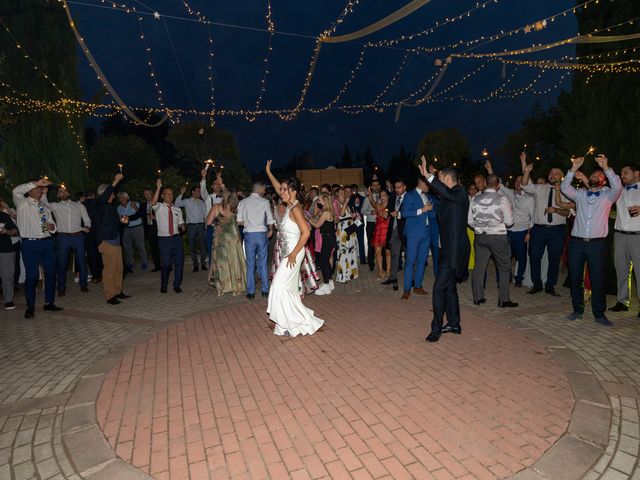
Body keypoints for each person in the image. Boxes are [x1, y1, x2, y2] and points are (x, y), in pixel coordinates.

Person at [561, 155, 622, 325]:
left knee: (597, 279)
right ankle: (577, 309)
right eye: (594, 174)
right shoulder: (580, 194)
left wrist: (607, 168)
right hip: (577, 243)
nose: (596, 175)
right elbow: (565, 188)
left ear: (604, 181)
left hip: (596, 244)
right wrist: (573, 169)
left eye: (599, 175)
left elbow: (618, 186)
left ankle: (599, 314)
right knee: (575, 278)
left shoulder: (608, 196)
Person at [265, 164, 325, 337]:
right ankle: (288, 323)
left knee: (278, 286)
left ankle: (288, 322)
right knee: (288, 290)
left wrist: (292, 254)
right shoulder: (291, 205)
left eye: (284, 190)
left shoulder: (296, 209)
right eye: (281, 190)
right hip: (288, 253)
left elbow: (306, 233)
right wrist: (269, 172)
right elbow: (277, 187)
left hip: (293, 254)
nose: (280, 192)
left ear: (292, 191)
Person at [419, 158, 470, 343]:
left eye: (441, 179)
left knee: (438, 288)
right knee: (449, 288)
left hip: (455, 251)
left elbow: (442, 191)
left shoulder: (460, 193)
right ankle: (454, 323)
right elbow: (440, 192)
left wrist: (429, 177)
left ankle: (436, 329)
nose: (439, 183)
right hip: (447, 248)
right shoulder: (449, 196)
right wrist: (431, 178)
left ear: (448, 180)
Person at [13, 178, 62, 318]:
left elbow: (52, 225)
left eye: (41, 188)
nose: (41, 190)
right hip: (30, 243)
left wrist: (53, 228)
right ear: (30, 190)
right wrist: (37, 182)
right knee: (32, 275)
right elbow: (16, 190)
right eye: (38, 188)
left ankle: (49, 303)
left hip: (47, 242)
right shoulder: (22, 203)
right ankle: (30, 306)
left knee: (51, 273)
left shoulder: (44, 207)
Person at [521, 155, 571, 296]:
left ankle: (550, 286)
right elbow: (525, 185)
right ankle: (537, 284)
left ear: (561, 176)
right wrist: (526, 172)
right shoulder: (539, 188)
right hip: (538, 229)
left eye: (556, 173)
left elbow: (568, 213)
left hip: (557, 231)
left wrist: (555, 210)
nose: (552, 175)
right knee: (534, 256)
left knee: (554, 258)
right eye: (551, 173)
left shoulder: (566, 191)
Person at [468, 174, 518, 308]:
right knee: (504, 267)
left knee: (479, 268)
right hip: (497, 237)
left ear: (485, 183)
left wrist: (480, 227)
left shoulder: (475, 199)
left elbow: (470, 221)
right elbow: (509, 222)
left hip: (480, 236)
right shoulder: (502, 199)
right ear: (498, 185)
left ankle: (478, 298)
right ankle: (503, 300)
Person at [486, 159, 534, 287]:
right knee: (504, 257)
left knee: (521, 257)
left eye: (521, 181)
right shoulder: (510, 193)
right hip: (508, 231)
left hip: (522, 232)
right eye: (517, 181)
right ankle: (504, 278)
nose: (518, 183)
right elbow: (498, 185)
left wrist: (529, 232)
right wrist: (490, 170)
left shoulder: (529, 199)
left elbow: (533, 217)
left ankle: (519, 279)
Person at [44, 184, 91, 296]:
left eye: (64, 191)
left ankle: (83, 285)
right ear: (57, 195)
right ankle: (61, 287)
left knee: (82, 262)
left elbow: (87, 220)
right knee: (62, 263)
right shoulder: (55, 206)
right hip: (63, 238)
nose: (63, 192)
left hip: (78, 236)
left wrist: (87, 227)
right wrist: (45, 192)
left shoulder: (79, 206)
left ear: (69, 193)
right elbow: (43, 203)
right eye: (60, 191)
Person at [95, 174, 132, 304]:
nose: (114, 195)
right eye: (112, 193)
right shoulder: (100, 204)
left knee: (118, 268)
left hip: (115, 240)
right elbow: (104, 197)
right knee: (109, 270)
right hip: (106, 241)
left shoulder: (111, 207)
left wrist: (123, 221)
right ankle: (110, 295)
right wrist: (115, 181)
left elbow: (115, 222)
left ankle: (117, 291)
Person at [272, 197, 320, 296]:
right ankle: (292, 293)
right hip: (283, 243)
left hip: (294, 244)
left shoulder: (295, 209)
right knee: (290, 272)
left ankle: (295, 291)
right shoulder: (282, 209)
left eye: (284, 190)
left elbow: (307, 230)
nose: (282, 193)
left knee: (294, 270)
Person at [609, 163, 640, 316]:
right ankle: (622, 301)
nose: (622, 176)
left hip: (638, 236)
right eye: (621, 173)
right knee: (621, 270)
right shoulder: (618, 191)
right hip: (620, 236)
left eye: (625, 172)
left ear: (636, 173)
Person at [237, 181, 275, 299]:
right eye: (263, 189)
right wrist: (271, 230)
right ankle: (265, 290)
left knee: (250, 263)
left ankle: (251, 292)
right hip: (261, 234)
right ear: (258, 189)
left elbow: (238, 221)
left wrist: (248, 223)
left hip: (249, 235)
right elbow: (270, 218)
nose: (264, 192)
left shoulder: (243, 202)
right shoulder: (265, 202)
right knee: (263, 262)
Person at [207, 190, 246, 296]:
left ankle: (221, 288)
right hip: (233, 239)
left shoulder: (216, 207)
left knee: (220, 264)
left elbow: (208, 222)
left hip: (220, 240)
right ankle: (235, 288)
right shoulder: (234, 209)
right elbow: (239, 221)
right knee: (233, 261)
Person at [399, 176, 432, 299]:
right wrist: (422, 209)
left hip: (426, 233)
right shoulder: (410, 195)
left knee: (422, 261)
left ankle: (418, 286)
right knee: (410, 261)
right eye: (428, 183)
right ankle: (407, 290)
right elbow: (404, 213)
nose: (430, 186)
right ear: (422, 183)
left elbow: (429, 212)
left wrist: (430, 209)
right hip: (413, 234)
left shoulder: (427, 196)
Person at [152, 179, 186, 293]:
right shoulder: (159, 207)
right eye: (168, 194)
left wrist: (182, 226)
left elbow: (181, 222)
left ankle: (177, 285)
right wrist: (158, 188)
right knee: (166, 264)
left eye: (172, 194)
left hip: (176, 239)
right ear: (162, 196)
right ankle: (164, 284)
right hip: (164, 240)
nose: (171, 196)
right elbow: (153, 203)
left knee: (179, 263)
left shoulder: (177, 209)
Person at [308, 192, 336, 295]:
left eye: (319, 200)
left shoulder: (326, 212)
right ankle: (330, 282)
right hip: (328, 238)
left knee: (324, 262)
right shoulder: (327, 211)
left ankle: (326, 285)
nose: (318, 202)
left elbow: (317, 225)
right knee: (326, 261)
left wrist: (308, 218)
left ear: (325, 201)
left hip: (327, 239)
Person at [175, 184, 207, 272]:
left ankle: (203, 263)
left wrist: (206, 226)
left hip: (200, 225)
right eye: (197, 191)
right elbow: (176, 204)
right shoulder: (187, 201)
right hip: (191, 226)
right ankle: (195, 265)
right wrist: (181, 194)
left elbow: (205, 215)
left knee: (203, 246)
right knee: (192, 246)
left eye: (199, 191)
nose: (199, 193)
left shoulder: (202, 202)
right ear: (193, 192)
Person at [382, 179, 407, 291]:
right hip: (394, 229)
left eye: (399, 187)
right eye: (396, 187)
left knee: (409, 255)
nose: (397, 189)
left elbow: (412, 212)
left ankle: (412, 280)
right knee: (395, 255)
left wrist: (399, 214)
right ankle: (393, 278)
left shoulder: (409, 197)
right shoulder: (393, 197)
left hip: (406, 230)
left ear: (404, 187)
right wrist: (387, 213)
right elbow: (391, 210)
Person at [200, 166, 224, 266]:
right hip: (211, 228)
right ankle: (212, 274)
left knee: (223, 251)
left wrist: (221, 181)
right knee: (211, 251)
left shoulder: (224, 198)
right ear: (212, 187)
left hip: (223, 227)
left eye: (219, 184)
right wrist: (203, 178)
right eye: (215, 184)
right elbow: (202, 190)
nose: (217, 186)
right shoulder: (207, 197)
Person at [117, 193, 147, 272]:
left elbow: (141, 214)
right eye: (120, 198)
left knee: (140, 246)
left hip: (137, 228)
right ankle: (131, 263)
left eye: (123, 197)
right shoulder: (118, 208)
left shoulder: (135, 204)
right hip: (126, 229)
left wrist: (135, 207)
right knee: (127, 248)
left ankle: (144, 263)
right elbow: (120, 220)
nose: (121, 199)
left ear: (127, 198)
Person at [335, 187, 359, 283]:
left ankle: (349, 274)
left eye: (343, 193)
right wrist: (345, 203)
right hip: (343, 233)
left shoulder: (347, 205)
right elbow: (340, 214)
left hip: (350, 232)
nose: (343, 195)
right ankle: (342, 276)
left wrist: (353, 217)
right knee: (343, 253)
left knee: (351, 252)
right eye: (341, 193)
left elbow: (348, 217)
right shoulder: (337, 204)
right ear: (337, 195)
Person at [367, 188, 391, 279]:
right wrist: (370, 194)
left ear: (388, 196)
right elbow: (372, 201)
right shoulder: (377, 205)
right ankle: (381, 271)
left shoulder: (391, 205)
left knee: (388, 252)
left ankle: (388, 270)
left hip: (388, 230)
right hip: (378, 231)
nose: (382, 197)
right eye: (381, 196)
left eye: (384, 195)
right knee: (377, 252)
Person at [82, 191, 104, 282]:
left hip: (87, 233)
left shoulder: (81, 205)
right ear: (94, 195)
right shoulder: (100, 203)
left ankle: (95, 276)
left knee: (91, 255)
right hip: (100, 232)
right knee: (100, 254)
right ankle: (102, 274)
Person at [361, 178, 381, 271]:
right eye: (374, 185)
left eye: (377, 185)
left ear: (379, 186)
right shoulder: (367, 198)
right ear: (371, 187)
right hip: (371, 224)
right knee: (370, 244)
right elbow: (362, 211)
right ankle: (371, 263)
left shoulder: (383, 196)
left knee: (382, 244)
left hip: (381, 224)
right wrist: (370, 212)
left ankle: (382, 263)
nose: (376, 187)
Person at [0, 210, 19, 310]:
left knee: (7, 276)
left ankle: (9, 300)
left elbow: (15, 232)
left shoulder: (4, 216)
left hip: (5, 250)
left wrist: (6, 231)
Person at [347, 184, 366, 264]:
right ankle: (361, 259)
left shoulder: (357, 198)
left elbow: (359, 208)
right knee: (358, 241)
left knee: (354, 241)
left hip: (356, 222)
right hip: (356, 222)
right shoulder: (350, 198)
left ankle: (359, 259)